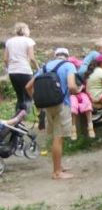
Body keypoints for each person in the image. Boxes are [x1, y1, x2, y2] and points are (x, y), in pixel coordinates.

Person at [26, 47, 79, 180]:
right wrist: (78, 91)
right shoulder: (69, 65)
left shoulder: (45, 67)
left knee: (56, 136)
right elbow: (72, 86)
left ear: (55, 56)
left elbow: (28, 86)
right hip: (62, 104)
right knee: (58, 138)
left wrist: (36, 99)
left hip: (47, 106)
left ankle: (58, 166)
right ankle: (57, 172)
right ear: (67, 56)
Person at [4, 23, 37, 114]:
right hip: (25, 70)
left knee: (20, 96)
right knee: (28, 96)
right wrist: (38, 68)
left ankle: (17, 118)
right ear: (26, 30)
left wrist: (8, 69)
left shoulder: (9, 41)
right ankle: (26, 116)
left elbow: (5, 59)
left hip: (13, 71)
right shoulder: (28, 41)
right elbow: (32, 57)